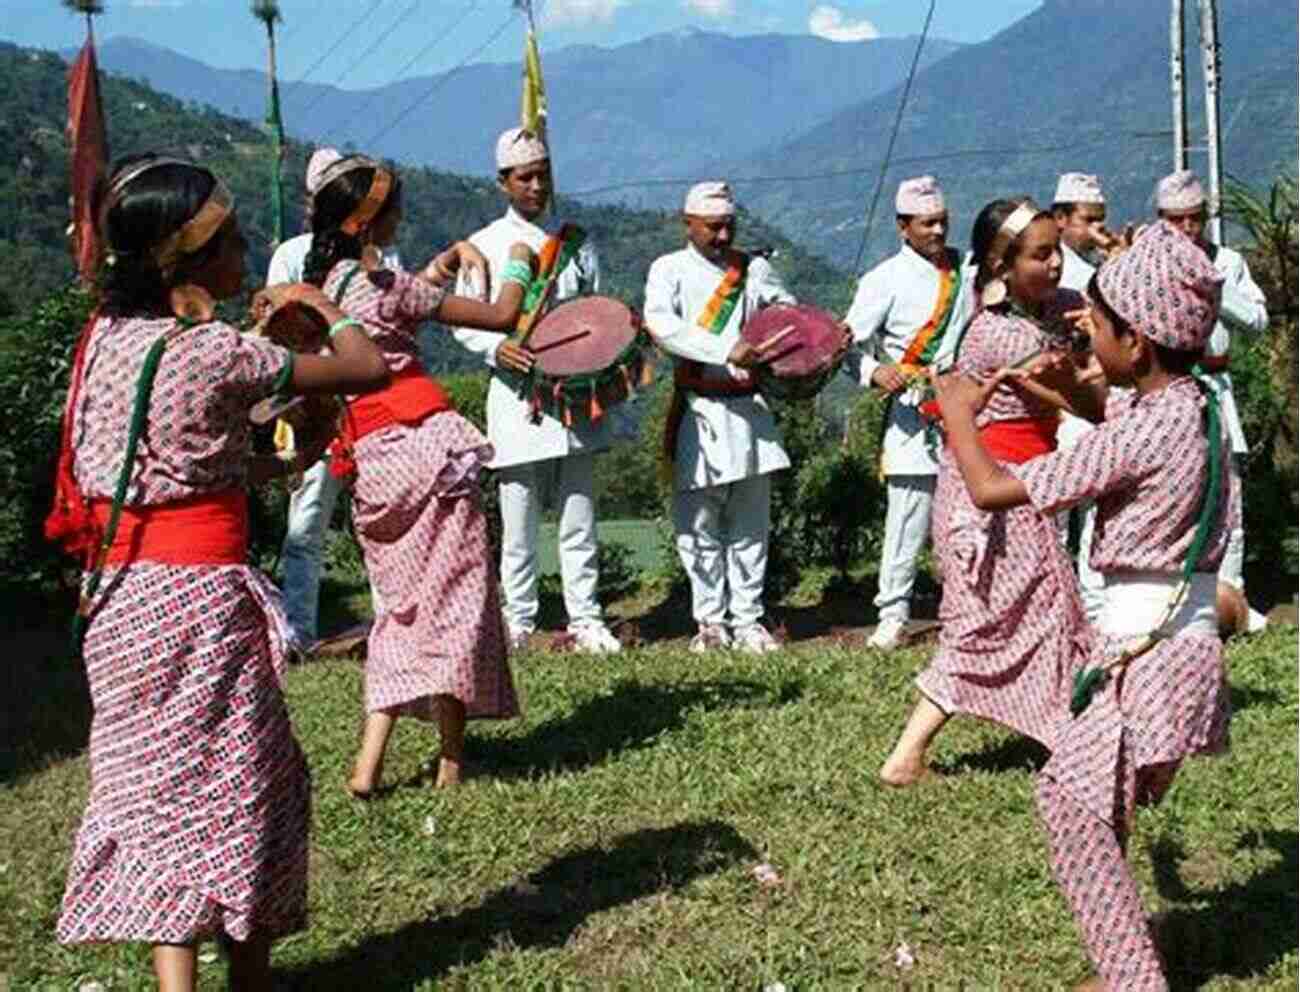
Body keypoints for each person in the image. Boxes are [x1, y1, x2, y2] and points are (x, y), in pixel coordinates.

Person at [48, 154, 389, 990]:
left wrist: (276, 460)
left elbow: (184, 472)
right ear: (183, 260)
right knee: (246, 785)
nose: (246, 253)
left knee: (161, 796)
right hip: (200, 606)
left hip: (123, 599)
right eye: (232, 240)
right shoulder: (211, 351)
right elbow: (365, 369)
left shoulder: (104, 345)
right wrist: (319, 303)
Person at [931, 220, 1234, 991]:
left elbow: (995, 490)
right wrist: (1070, 390)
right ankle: (1125, 965)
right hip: (1183, 651)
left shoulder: (1140, 430)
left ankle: (1131, 979)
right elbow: (1120, 424)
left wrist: (959, 413)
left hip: (1146, 657)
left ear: (1135, 343)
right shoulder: (1194, 407)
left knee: (1068, 804)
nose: (1084, 336)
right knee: (1097, 802)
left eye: (1096, 328)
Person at [299, 153, 529, 794]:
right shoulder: (389, 288)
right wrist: (518, 261)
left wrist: (444, 265)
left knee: (398, 610)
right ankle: (452, 762)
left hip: (372, 462)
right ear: (372, 219)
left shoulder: (325, 293)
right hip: (430, 452)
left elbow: (402, 300)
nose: (403, 214)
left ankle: (367, 766)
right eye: (395, 207)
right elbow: (502, 316)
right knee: (458, 602)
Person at [879, 198, 1102, 787]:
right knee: (997, 622)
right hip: (993, 489)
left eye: (1057, 250)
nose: (1056, 265)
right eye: (1041, 255)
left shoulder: (1056, 311)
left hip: (1023, 482)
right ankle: (909, 754)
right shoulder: (999, 334)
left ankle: (1065, 733)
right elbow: (1079, 396)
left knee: (1043, 612)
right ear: (1003, 265)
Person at [450, 127, 622, 654]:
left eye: (543, 175)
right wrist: (492, 348)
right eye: (525, 177)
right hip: (516, 392)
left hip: (572, 394)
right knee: (518, 516)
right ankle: (518, 619)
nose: (536, 186)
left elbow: (595, 308)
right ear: (503, 183)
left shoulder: (577, 242)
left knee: (578, 514)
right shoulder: (483, 244)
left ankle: (586, 617)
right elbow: (463, 318)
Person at [643, 181, 803, 653]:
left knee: (751, 522)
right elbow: (660, 323)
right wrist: (723, 347)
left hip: (750, 408)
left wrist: (779, 345)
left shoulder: (754, 269)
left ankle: (749, 618)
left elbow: (788, 312)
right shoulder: (667, 270)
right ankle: (710, 621)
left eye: (729, 226)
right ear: (687, 223)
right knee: (699, 523)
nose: (721, 235)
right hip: (699, 407)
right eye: (713, 226)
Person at [267, 146, 402, 650]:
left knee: (382, 518)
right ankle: (297, 631)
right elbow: (279, 329)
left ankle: (393, 625)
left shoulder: (380, 258)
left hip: (370, 400)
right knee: (307, 521)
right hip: (319, 399)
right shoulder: (290, 254)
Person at [844, 176, 976, 650]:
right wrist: (875, 372)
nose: (938, 231)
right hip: (911, 410)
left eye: (943, 221)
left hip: (963, 402)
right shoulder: (881, 280)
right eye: (927, 223)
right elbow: (847, 345)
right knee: (908, 514)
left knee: (968, 511)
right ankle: (893, 612)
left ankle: (966, 608)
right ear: (903, 227)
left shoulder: (968, 270)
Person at [1155, 169, 1270, 632]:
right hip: (1167, 391)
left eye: (1195, 219)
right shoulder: (1151, 263)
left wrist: (1214, 287)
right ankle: (1176, 603)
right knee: (1170, 499)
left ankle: (1232, 600)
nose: (1187, 229)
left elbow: (1257, 321)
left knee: (1228, 500)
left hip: (1215, 388)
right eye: (1176, 220)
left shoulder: (1228, 261)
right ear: (1162, 220)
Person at [1051, 171, 1112, 622]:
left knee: (1096, 507)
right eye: (1088, 221)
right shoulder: (1048, 273)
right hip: (1055, 404)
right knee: (1053, 508)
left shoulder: (1100, 272)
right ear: (1060, 220)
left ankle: (1093, 603)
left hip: (1092, 400)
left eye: (1100, 221)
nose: (1097, 231)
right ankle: (1053, 598)